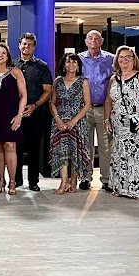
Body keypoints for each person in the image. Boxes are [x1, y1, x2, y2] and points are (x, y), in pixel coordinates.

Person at [104, 46, 139, 199]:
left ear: (133, 59)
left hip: (138, 123)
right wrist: (107, 119)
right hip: (118, 124)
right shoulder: (113, 79)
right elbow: (108, 100)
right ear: (116, 60)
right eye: (121, 57)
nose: (124, 60)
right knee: (120, 154)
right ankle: (121, 187)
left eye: (127, 57)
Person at [0, 42, 27, 195]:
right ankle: (1, 179)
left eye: (3, 53)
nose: (1, 55)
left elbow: (23, 96)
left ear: (8, 56)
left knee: (10, 146)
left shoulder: (15, 72)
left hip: (11, 115)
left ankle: (13, 181)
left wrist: (19, 115)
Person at [15, 32, 53, 191]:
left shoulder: (42, 66)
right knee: (15, 148)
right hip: (16, 113)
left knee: (33, 148)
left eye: (29, 44)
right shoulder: (13, 65)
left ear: (34, 47)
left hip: (35, 113)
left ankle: (33, 181)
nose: (26, 47)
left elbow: (48, 90)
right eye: (24, 44)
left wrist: (34, 106)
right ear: (19, 45)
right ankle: (16, 180)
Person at [49, 53, 91, 194]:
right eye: (68, 62)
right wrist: (58, 120)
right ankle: (64, 181)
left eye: (74, 62)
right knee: (61, 151)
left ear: (78, 65)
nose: (71, 65)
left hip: (77, 122)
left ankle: (73, 182)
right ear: (64, 64)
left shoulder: (83, 81)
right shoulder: (58, 81)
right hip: (59, 123)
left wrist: (74, 121)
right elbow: (52, 103)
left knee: (75, 151)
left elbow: (87, 104)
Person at [78, 30, 115, 191]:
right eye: (90, 38)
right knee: (85, 145)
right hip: (84, 109)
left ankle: (106, 179)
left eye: (97, 38)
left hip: (104, 108)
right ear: (86, 42)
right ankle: (85, 177)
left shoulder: (111, 59)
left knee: (105, 145)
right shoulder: (78, 59)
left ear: (102, 41)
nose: (93, 41)